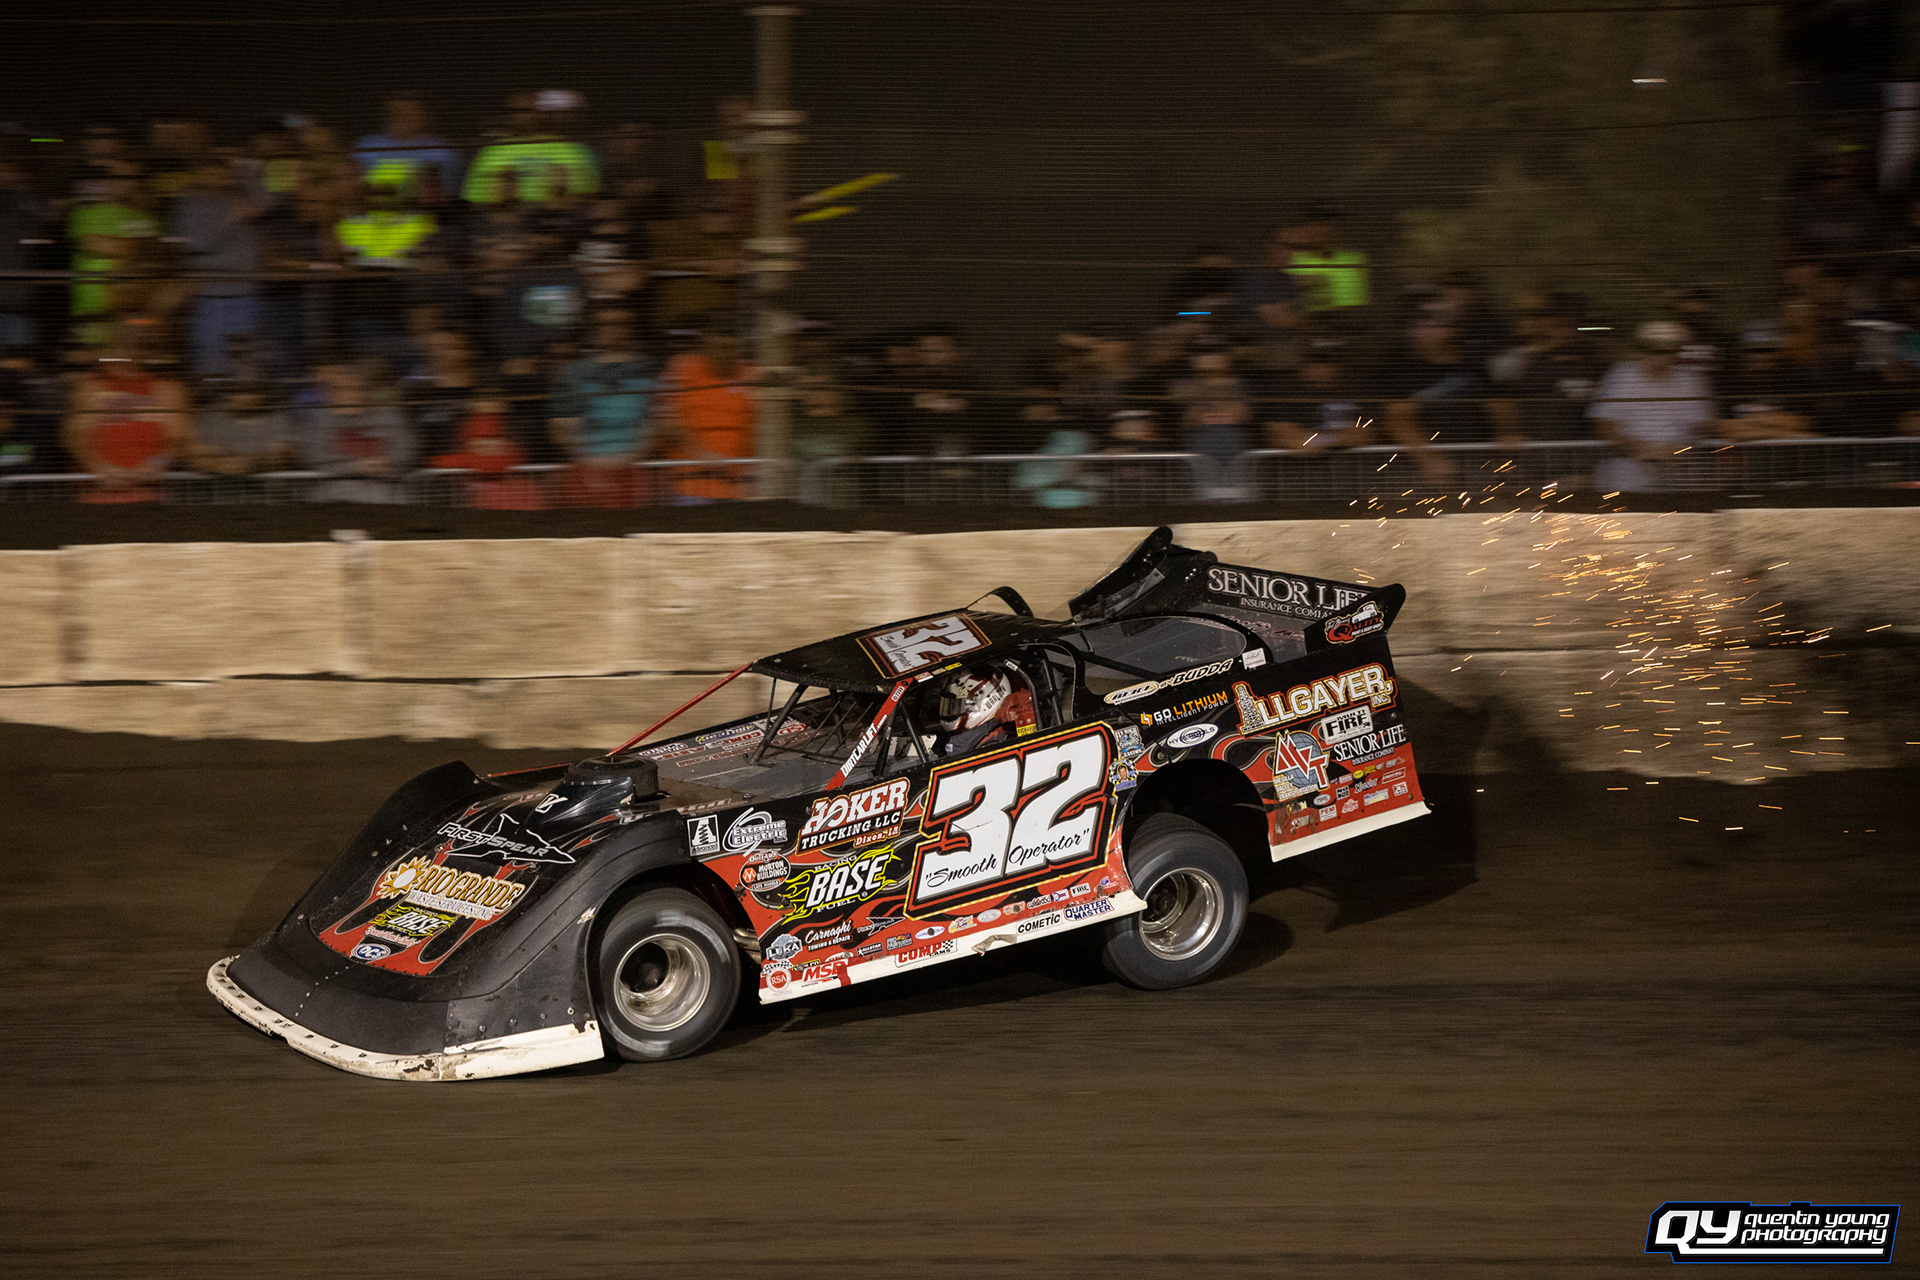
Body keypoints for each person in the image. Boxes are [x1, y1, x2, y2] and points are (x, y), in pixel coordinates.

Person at [63, 324, 193, 503]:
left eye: (137, 345)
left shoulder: (167, 390)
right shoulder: (91, 388)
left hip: (149, 496)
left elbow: (179, 440)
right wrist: (100, 468)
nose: (130, 352)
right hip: (98, 495)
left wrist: (154, 466)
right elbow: (74, 437)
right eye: (124, 344)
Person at [1588, 320, 1716, 493]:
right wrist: (1639, 447)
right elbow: (1603, 425)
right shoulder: (1620, 375)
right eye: (1652, 350)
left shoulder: (1691, 381)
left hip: (1677, 481)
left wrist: (1676, 450)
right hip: (1625, 480)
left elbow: (1703, 426)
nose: (1658, 357)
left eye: (1666, 351)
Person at [550, 310, 656, 507]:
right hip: (586, 475)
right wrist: (593, 461)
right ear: (592, 329)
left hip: (633, 475)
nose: (611, 330)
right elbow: (560, 428)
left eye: (619, 324)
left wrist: (627, 459)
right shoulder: (573, 373)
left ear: (629, 328)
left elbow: (654, 423)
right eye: (604, 325)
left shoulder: (645, 369)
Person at [661, 325, 756, 502]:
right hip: (692, 485)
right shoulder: (682, 368)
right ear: (705, 347)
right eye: (718, 348)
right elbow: (668, 422)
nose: (724, 355)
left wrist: (751, 472)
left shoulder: (750, 374)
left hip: (738, 487)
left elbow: (759, 425)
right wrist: (702, 454)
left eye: (731, 349)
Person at [353, 96, 462, 203]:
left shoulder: (440, 151)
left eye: (407, 113)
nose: (400, 117)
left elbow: (446, 193)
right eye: (395, 112)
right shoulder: (368, 147)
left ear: (423, 116)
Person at [923, 663, 1037, 757]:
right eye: (948, 706)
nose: (950, 713)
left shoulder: (995, 744)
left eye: (958, 706)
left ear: (988, 702)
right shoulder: (957, 741)